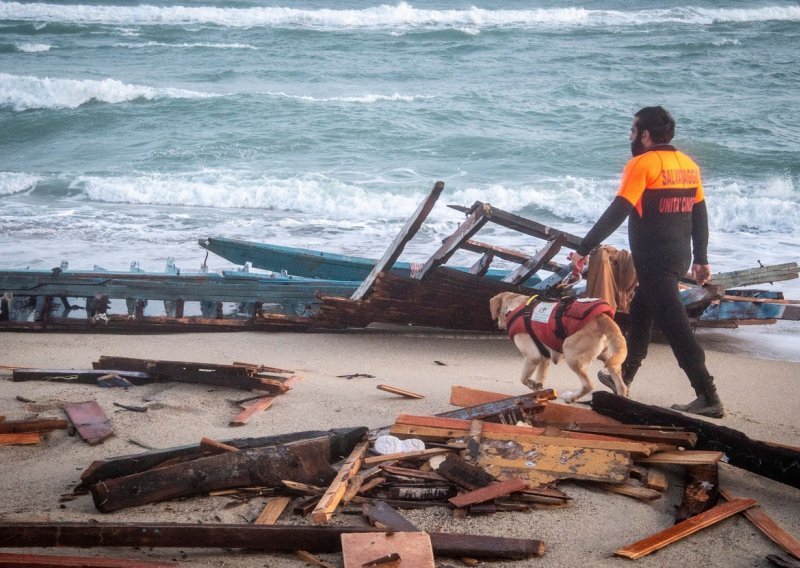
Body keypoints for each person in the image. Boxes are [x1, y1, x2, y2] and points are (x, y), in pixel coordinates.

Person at [569, 106, 724, 418]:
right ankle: (623, 376)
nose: (630, 136)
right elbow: (699, 213)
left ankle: (708, 395)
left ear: (645, 134)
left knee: (677, 329)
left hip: (655, 261)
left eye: (633, 130)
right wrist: (701, 258)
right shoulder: (687, 165)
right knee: (641, 309)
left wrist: (583, 247)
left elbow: (618, 210)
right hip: (678, 257)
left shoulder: (642, 164)